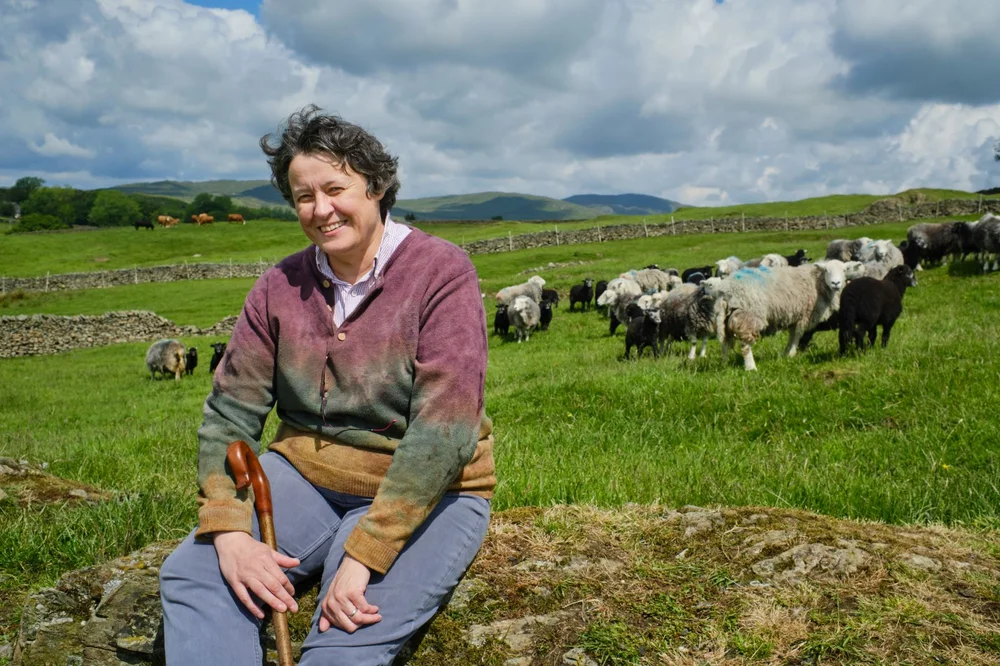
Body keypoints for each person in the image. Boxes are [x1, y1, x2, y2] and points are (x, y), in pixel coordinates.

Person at [159, 106, 495, 665]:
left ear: (376, 185)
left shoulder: (442, 272)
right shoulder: (278, 287)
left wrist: (365, 553)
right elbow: (230, 413)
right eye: (303, 197)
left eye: (335, 188)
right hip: (303, 477)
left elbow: (445, 428)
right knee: (194, 575)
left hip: (430, 489)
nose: (321, 209)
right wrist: (229, 529)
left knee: (343, 638)